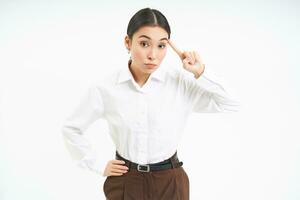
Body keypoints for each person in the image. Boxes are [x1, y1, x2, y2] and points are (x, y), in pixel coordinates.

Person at [61, 7, 240, 200]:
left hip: (170, 181)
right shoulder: (106, 88)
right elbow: (71, 128)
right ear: (128, 43)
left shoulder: (180, 83)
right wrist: (96, 164)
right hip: (125, 180)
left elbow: (231, 103)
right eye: (144, 43)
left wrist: (200, 72)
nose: (153, 54)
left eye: (161, 46)